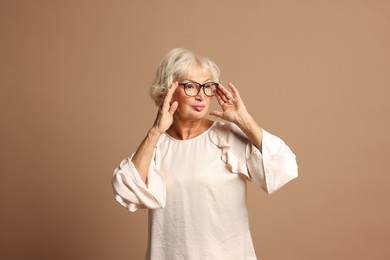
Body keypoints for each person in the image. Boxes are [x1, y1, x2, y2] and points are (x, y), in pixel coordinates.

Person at [112, 48, 298, 260]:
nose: (201, 95)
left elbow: (284, 167)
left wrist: (243, 120)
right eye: (190, 86)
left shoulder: (226, 137)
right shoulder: (157, 145)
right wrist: (155, 131)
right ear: (168, 91)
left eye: (207, 86)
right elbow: (126, 191)